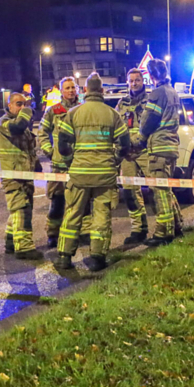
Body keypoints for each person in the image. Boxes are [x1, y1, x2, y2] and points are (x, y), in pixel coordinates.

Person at [54, 73, 130, 272]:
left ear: (85, 90)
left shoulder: (74, 113)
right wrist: (115, 161)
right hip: (105, 174)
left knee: (72, 213)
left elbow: (62, 144)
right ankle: (97, 258)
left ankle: (64, 257)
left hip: (79, 173)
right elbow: (124, 143)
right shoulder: (112, 114)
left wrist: (71, 161)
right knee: (101, 215)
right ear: (102, 90)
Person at [133, 58, 183, 247]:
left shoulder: (157, 93)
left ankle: (164, 232)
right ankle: (176, 225)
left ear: (151, 75)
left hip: (159, 148)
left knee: (159, 191)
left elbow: (148, 121)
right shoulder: (172, 92)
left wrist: (140, 139)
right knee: (166, 189)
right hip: (170, 146)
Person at [38, 76, 90, 247]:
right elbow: (42, 132)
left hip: (79, 163)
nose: (70, 90)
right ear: (61, 91)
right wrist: (50, 151)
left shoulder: (83, 109)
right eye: (67, 88)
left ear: (77, 89)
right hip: (59, 166)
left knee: (82, 201)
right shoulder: (53, 111)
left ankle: (84, 233)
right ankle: (53, 234)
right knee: (57, 201)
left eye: (73, 87)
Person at [0, 91, 43, 260]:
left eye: (24, 104)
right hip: (13, 175)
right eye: (18, 104)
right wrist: (27, 112)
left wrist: (36, 165)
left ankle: (11, 241)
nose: (22, 107)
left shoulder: (23, 127)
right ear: (9, 105)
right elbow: (18, 126)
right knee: (21, 209)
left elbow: (29, 148)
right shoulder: (4, 123)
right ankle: (24, 247)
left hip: (24, 173)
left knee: (19, 208)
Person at [116, 68, 150, 245]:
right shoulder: (122, 103)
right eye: (131, 81)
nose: (134, 83)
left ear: (143, 81)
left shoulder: (150, 100)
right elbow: (116, 126)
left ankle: (172, 224)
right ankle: (139, 229)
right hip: (127, 154)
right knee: (129, 191)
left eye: (137, 80)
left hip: (145, 151)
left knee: (160, 188)